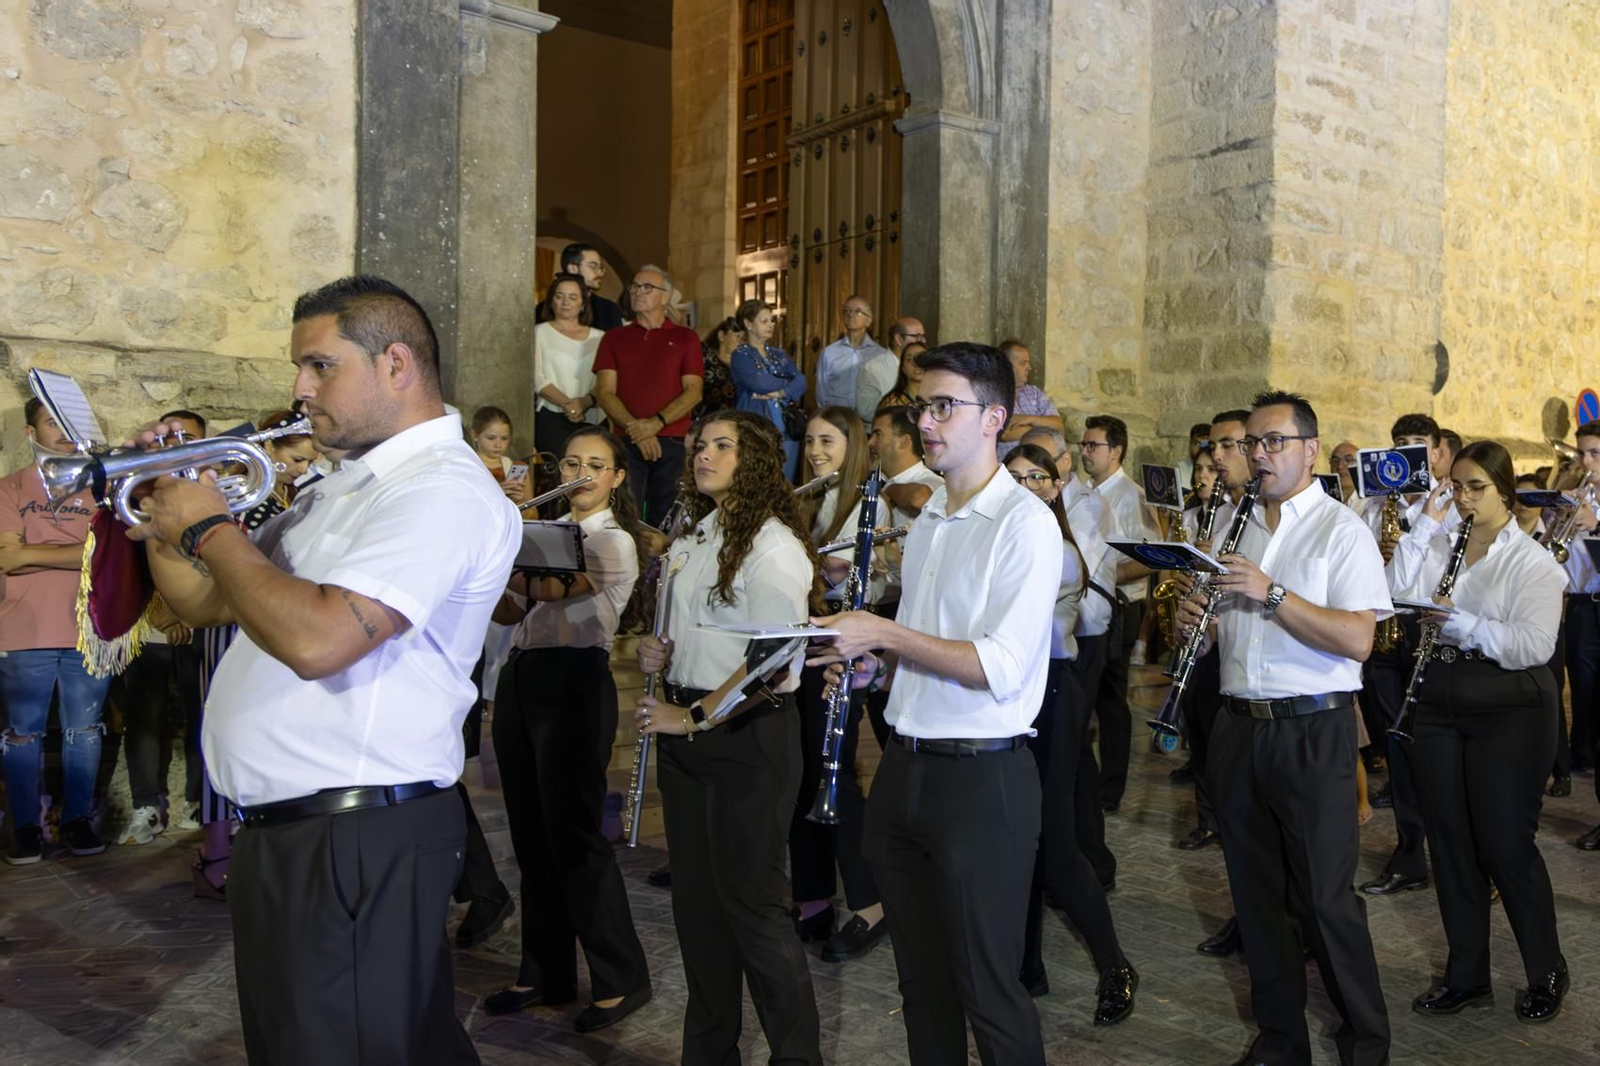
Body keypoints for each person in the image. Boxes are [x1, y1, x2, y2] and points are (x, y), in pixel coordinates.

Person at [128, 275, 520, 1064]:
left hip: (359, 830)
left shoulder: (441, 491)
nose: (299, 390)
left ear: (397, 365)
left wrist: (210, 528)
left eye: (320, 366)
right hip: (300, 831)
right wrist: (164, 519)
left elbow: (320, 642)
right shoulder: (341, 489)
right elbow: (209, 604)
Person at [808, 341, 1059, 1065]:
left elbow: (1001, 666)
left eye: (946, 406)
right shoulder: (930, 524)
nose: (928, 421)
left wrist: (882, 630)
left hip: (981, 783)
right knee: (921, 987)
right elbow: (924, 647)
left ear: (996, 419)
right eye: (924, 405)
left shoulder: (1023, 523)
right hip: (906, 771)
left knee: (988, 992)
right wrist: (871, 669)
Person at [1178, 389, 1391, 1066]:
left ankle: (1366, 1042)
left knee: (1326, 901)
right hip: (1241, 726)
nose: (1258, 456)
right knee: (1256, 897)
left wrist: (1269, 592)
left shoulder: (1341, 530)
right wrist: (1200, 628)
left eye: (1273, 443)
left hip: (1312, 730)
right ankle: (1281, 1040)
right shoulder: (1236, 528)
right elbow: (1226, 632)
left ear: (1309, 451)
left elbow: (1358, 639)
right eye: (1250, 444)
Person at [633, 409, 823, 1066]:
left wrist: (690, 717)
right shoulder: (696, 533)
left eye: (722, 445)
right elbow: (706, 635)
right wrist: (662, 654)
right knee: (699, 914)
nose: (703, 454)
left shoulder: (774, 546)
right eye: (700, 445)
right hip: (689, 737)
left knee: (756, 914)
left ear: (756, 462)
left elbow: (775, 665)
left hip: (748, 743)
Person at [1389, 440, 1569, 1023]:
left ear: (1505, 492)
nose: (1464, 499)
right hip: (1440, 702)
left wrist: (1462, 625)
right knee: (1450, 843)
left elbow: (1533, 646)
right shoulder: (1442, 539)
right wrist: (1425, 524)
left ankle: (1546, 968)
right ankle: (1468, 975)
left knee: (1503, 843)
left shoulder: (1534, 562)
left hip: (1510, 707)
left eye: (1476, 489)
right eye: (1457, 487)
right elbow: (1394, 591)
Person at [482, 426, 653, 1029]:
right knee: (531, 836)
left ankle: (621, 978)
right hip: (525, 677)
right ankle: (544, 972)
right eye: (572, 463)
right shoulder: (545, 534)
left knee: (576, 837)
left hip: (576, 683)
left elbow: (557, 589)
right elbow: (510, 608)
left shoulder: (614, 540)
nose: (579, 473)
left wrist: (501, 529)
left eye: (594, 465)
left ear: (615, 478)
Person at [1006, 443, 1138, 1026]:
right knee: (1015, 845)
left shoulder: (1058, 551)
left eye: (1038, 477)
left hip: (1049, 697)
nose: (1027, 486)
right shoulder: (1000, 543)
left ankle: (1115, 966)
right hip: (1004, 704)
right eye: (1014, 478)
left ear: (1055, 487)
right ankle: (1026, 967)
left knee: (1055, 846)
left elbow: (1039, 635)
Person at [789, 406, 887, 963]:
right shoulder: (806, 501)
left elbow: (864, 576)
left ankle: (871, 901)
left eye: (828, 441)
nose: (816, 451)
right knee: (803, 774)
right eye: (809, 441)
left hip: (842, 654)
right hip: (800, 650)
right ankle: (813, 895)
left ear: (853, 447)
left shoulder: (864, 504)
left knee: (836, 775)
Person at [0, 398, 112, 864]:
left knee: (84, 730)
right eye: (52, 423)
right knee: (22, 733)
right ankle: (25, 827)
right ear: (31, 433)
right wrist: (83, 552)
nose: (63, 432)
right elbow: (9, 558)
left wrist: (37, 550)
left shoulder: (104, 488)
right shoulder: (9, 488)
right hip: (24, 629)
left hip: (91, 628)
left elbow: (110, 557)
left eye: (69, 423)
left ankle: (77, 822)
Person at [1357, 413, 1456, 900]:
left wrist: (1415, 534)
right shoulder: (1376, 505)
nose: (1409, 451)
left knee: (1437, 754)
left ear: (1437, 453)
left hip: (1430, 634)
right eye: (1400, 443)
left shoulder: (1453, 504)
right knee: (1398, 750)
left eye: (1419, 443)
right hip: (1385, 636)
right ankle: (1410, 853)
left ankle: (1463, 857)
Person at [118, 409, 209, 846]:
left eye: (188, 437)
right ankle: (146, 806)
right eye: (170, 436)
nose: (178, 443)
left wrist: (186, 612)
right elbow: (128, 552)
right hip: (152, 621)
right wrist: (161, 607)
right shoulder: (140, 489)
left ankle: (199, 800)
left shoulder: (214, 490)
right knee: (144, 714)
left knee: (202, 710)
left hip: (201, 618)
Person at [1079, 413, 1159, 813]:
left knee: (1110, 699)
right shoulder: (1082, 492)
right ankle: (1085, 781)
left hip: (1123, 606)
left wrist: (1104, 578)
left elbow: (1150, 555)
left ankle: (1110, 789)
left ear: (1117, 450)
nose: (1085, 452)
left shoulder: (1132, 496)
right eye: (1083, 445)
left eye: (1093, 446)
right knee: (1085, 695)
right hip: (1088, 606)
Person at [593, 265, 704, 524]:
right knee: (623, 512)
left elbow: (694, 391)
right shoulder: (614, 338)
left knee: (666, 515)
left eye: (647, 287)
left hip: (672, 439)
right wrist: (637, 429)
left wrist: (655, 424)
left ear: (665, 296)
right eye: (634, 286)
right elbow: (604, 391)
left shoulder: (685, 338)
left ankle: (660, 565)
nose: (638, 292)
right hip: (625, 440)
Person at [729, 298, 806, 480]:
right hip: (757, 427)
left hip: (787, 426)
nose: (770, 325)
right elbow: (760, 383)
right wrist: (788, 381)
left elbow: (802, 380)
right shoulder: (741, 355)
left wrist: (781, 393)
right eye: (764, 321)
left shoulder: (779, 354)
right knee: (759, 480)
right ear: (748, 323)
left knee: (785, 481)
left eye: (771, 320)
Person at [534, 274, 605, 456]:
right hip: (552, 415)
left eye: (572, 297)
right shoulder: (539, 332)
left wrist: (583, 403)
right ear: (551, 301)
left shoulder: (600, 337)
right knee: (564, 471)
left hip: (592, 415)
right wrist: (570, 405)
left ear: (582, 303)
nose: (565, 302)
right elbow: (538, 379)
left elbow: (606, 380)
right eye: (559, 296)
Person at [815, 294, 895, 421]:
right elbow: (821, 392)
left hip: (867, 420)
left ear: (869, 320)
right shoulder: (829, 353)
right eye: (847, 311)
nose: (850, 315)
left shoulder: (880, 354)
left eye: (858, 312)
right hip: (836, 418)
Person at [996, 339, 1065, 461]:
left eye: (1028, 363)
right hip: (1009, 469)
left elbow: (1059, 427)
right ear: (1005, 366)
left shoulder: (1034, 393)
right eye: (1023, 363)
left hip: (1044, 465)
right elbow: (1006, 433)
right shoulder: (994, 393)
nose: (1029, 368)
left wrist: (1029, 419)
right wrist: (1045, 429)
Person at [560, 242, 624, 331]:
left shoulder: (609, 309)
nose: (599, 273)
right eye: (593, 266)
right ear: (573, 269)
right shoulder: (546, 309)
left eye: (600, 267)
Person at [696, 316, 742, 418]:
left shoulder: (741, 365)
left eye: (741, 337)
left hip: (732, 419)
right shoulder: (706, 355)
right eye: (735, 335)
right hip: (706, 417)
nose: (739, 340)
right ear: (721, 335)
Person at [877, 340, 926, 411]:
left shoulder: (938, 397)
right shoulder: (892, 402)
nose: (915, 363)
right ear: (903, 368)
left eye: (921, 357)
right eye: (909, 359)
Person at [1176, 422, 1212, 489]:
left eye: (1205, 444)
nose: (1201, 448)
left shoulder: (1219, 471)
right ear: (1190, 444)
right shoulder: (1179, 470)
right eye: (1197, 443)